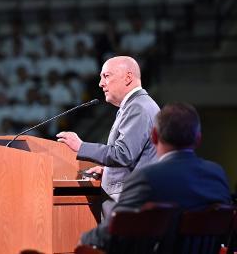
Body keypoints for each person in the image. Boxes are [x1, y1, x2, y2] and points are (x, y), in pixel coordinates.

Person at [80, 102, 231, 249]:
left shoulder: (146, 178)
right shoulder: (217, 176)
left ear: (154, 137)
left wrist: (84, 239)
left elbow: (112, 231)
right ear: (198, 138)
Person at [57, 56, 160, 219]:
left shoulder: (138, 107)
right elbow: (139, 157)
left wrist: (81, 146)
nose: (101, 83)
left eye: (106, 76)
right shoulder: (136, 105)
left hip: (130, 207)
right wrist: (108, 171)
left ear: (128, 78)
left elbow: (123, 154)